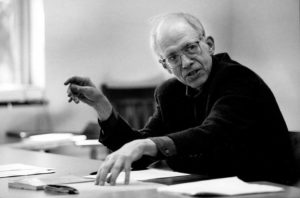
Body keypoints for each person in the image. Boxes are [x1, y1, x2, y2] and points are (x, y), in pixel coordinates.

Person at [64, 12, 297, 186]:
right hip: (202, 190)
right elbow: (139, 156)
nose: (185, 62)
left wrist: (146, 144)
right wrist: (101, 106)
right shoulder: (169, 93)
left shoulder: (238, 79)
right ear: (165, 66)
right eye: (173, 57)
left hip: (269, 190)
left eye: (191, 48)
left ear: (209, 45)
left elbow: (212, 133)